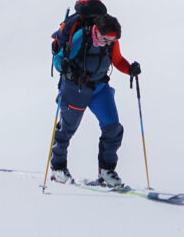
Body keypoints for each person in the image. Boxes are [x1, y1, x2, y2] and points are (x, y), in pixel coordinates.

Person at [50, 11, 141, 186]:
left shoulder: (111, 41)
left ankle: (106, 171)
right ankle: (58, 168)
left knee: (113, 128)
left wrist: (129, 69)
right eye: (104, 39)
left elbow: (118, 60)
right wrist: (62, 65)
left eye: (111, 41)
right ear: (96, 30)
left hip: (99, 87)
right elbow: (59, 57)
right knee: (67, 130)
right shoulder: (80, 37)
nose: (107, 43)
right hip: (75, 88)